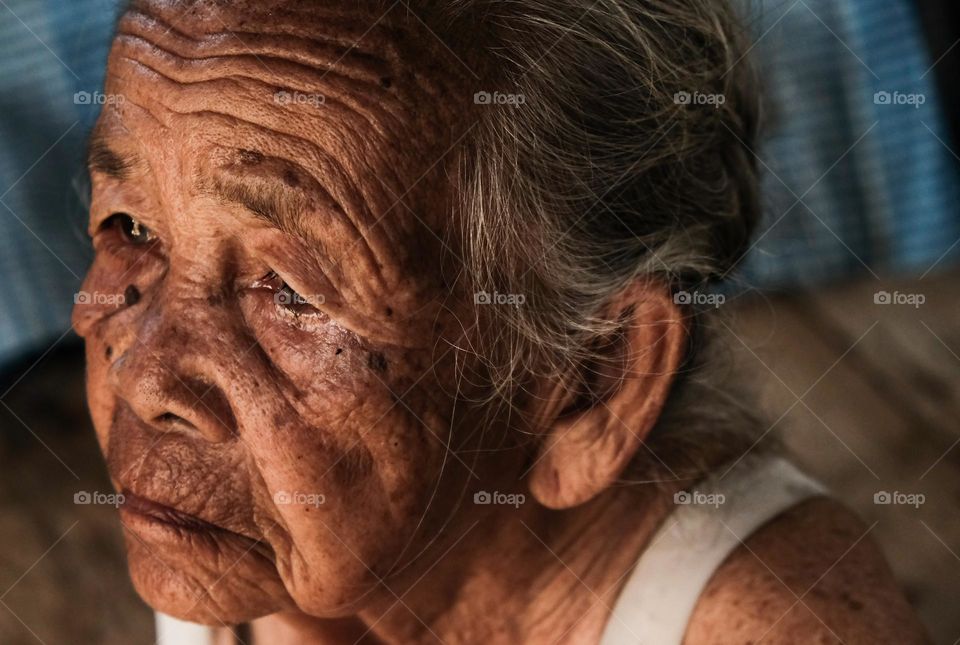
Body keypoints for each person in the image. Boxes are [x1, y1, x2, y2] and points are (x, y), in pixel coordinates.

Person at [72, 0, 929, 642]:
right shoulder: (270, 545)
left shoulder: (778, 623)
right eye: (132, 227)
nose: (143, 378)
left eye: (291, 290)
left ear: (593, 381)